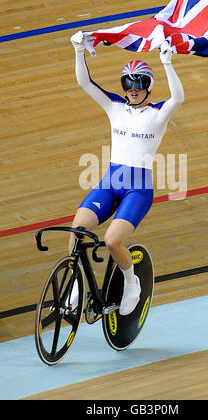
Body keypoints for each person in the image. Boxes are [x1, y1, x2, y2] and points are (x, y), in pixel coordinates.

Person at [69, 31, 185, 315]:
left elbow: (179, 98)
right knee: (76, 231)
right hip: (110, 182)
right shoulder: (114, 106)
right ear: (122, 85)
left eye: (140, 81)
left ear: (149, 86)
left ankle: (131, 281)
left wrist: (167, 63)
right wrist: (78, 50)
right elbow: (85, 82)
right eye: (128, 82)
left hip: (138, 190)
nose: (133, 87)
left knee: (111, 241)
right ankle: (74, 284)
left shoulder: (158, 113)